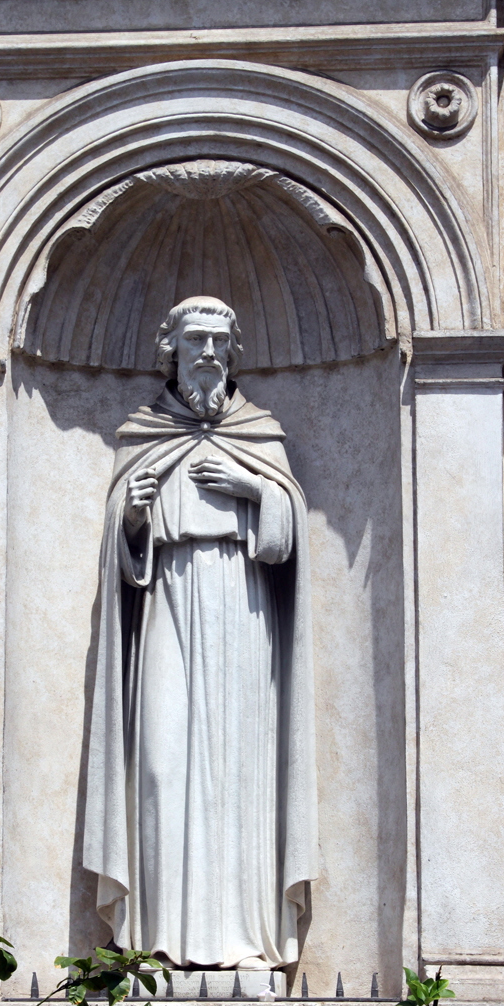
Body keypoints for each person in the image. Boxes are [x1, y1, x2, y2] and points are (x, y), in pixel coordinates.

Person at [83, 296, 317, 969]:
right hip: (166, 609)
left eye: (219, 343)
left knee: (240, 768)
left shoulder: (259, 434)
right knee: (160, 765)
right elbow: (122, 559)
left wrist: (252, 490)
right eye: (196, 344)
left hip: (243, 616)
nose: (209, 356)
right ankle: (160, 936)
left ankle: (243, 939)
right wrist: (130, 517)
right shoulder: (143, 433)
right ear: (173, 352)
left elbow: (287, 538)